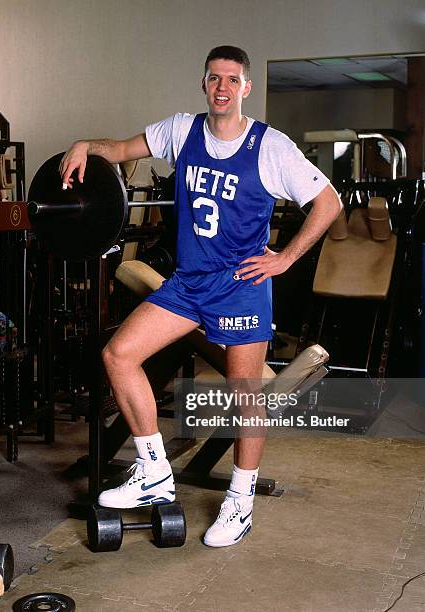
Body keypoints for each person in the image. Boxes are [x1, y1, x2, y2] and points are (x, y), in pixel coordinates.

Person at [59, 46, 341, 547]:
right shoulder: (181, 130)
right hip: (189, 284)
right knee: (118, 355)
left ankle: (240, 500)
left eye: (233, 79)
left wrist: (286, 258)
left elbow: (328, 202)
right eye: (214, 78)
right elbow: (121, 149)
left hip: (240, 288)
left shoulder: (270, 146)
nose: (223, 87)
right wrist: (83, 144)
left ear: (245, 87)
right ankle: (153, 471)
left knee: (245, 396)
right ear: (204, 83)